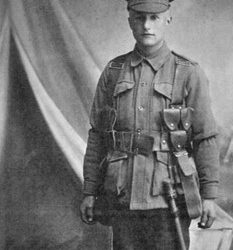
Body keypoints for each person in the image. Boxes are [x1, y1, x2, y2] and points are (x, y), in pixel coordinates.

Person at [80, 0, 219, 249]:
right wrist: (90, 191)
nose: (146, 25)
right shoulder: (113, 71)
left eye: (154, 18)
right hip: (123, 197)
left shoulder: (188, 72)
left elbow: (204, 137)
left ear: (168, 19)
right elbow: (98, 136)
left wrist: (209, 195)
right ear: (129, 20)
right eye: (139, 17)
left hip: (169, 199)